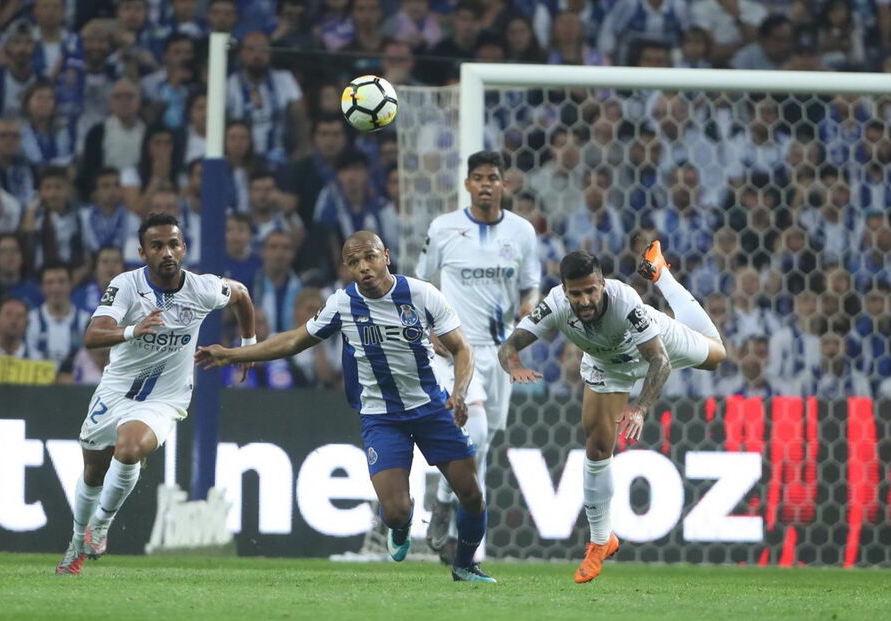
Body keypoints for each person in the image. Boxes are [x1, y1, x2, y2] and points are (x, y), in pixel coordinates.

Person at [195, 231, 496, 583]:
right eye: (354, 262)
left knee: (472, 495)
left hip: (432, 408)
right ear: (346, 268)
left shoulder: (420, 293)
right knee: (396, 512)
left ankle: (464, 565)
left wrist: (458, 393)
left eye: (369, 257)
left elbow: (462, 348)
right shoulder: (343, 304)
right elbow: (293, 341)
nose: (363, 267)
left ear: (385, 255)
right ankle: (401, 522)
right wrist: (231, 354)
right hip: (382, 418)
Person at [497, 244, 726, 584]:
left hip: (653, 346)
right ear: (564, 291)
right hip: (608, 365)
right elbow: (509, 346)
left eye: (591, 290)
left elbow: (660, 362)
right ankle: (601, 541)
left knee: (716, 353)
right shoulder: (555, 305)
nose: (585, 300)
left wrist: (640, 408)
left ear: (602, 284)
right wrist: (514, 366)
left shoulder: (626, 303)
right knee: (598, 446)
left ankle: (661, 273)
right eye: (576, 293)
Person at [55, 212, 256, 575]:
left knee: (129, 448)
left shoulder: (203, 288)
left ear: (184, 249)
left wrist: (249, 345)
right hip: (116, 391)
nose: (167, 252)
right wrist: (133, 330)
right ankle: (76, 542)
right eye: (157, 245)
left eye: (173, 244)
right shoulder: (126, 285)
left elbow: (241, 294)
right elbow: (92, 335)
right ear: (143, 252)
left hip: (166, 398)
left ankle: (100, 525)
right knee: (92, 472)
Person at [415, 150, 540, 558]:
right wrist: (428, 327)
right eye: (479, 177)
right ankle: (450, 507)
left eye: (494, 178)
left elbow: (530, 286)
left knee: (483, 444)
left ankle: (462, 538)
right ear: (467, 184)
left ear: (504, 185)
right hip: (457, 349)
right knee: (478, 430)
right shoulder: (444, 228)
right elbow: (420, 284)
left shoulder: (522, 232)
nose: (486, 184)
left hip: (501, 351)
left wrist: (529, 310)